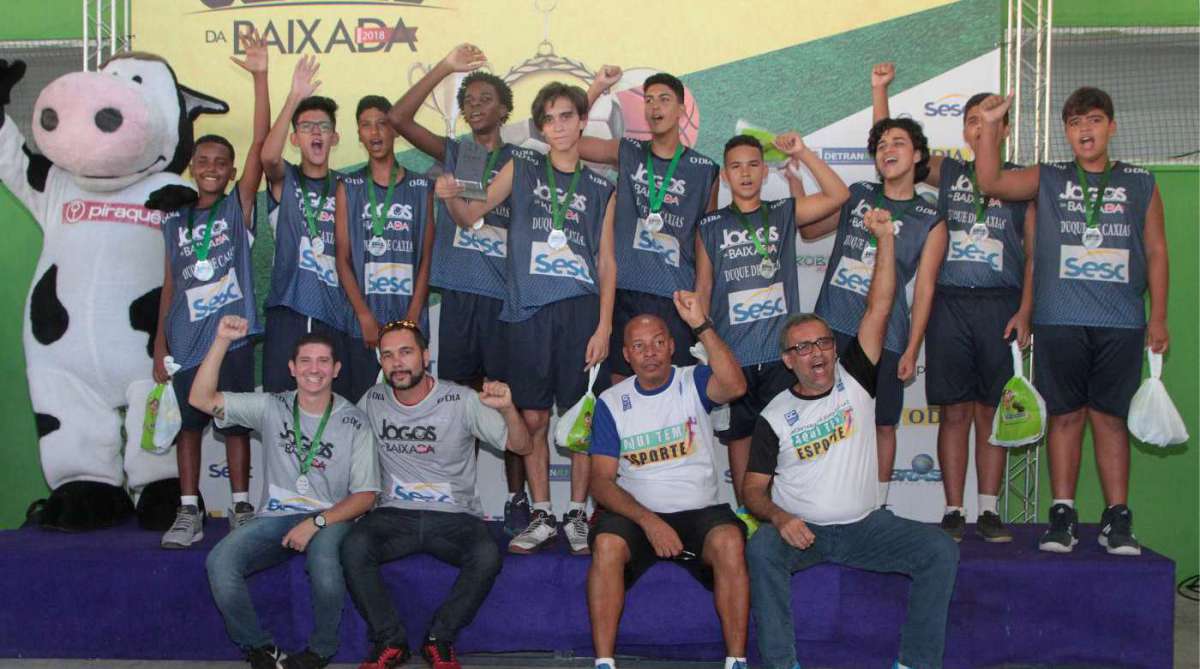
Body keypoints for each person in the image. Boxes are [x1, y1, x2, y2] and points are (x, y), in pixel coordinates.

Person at [744, 206, 959, 669]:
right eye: (802, 348)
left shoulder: (855, 379)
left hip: (866, 528)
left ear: (834, 349)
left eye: (822, 343)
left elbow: (879, 306)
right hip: (803, 531)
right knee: (761, 547)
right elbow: (752, 490)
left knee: (939, 550)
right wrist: (780, 518)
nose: (815, 353)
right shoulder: (774, 415)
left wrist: (884, 238)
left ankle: (915, 663)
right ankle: (783, 665)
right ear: (788, 361)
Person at [975, 89, 1169, 556]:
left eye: (1095, 120)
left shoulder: (1141, 182)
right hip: (1059, 319)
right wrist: (989, 125)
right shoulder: (1050, 177)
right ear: (1066, 132)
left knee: (1110, 420)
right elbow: (991, 182)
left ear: (1112, 127)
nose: (1085, 130)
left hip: (1122, 321)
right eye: (1076, 122)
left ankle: (1117, 518)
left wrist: (1158, 316)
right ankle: (1062, 514)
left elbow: (1158, 251)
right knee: (1065, 417)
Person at [436, 81, 617, 556]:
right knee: (533, 416)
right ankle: (541, 513)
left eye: (566, 116)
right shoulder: (525, 165)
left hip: (580, 312)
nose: (558, 126)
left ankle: (577, 514)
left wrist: (604, 326)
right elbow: (473, 215)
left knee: (580, 422)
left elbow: (605, 262)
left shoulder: (602, 185)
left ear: (582, 121)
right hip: (527, 312)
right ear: (540, 127)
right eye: (549, 119)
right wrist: (450, 196)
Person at [871, 61, 1035, 542]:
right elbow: (891, 139)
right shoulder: (947, 170)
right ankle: (953, 509)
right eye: (971, 121)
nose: (979, 128)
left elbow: (1033, 256)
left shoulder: (1023, 181)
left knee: (990, 411)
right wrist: (880, 91)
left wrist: (1025, 310)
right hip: (948, 305)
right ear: (964, 131)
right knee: (955, 413)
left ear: (1005, 127)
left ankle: (988, 509)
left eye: (989, 120)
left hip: (1000, 304)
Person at [390, 43, 531, 537]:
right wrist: (446, 67)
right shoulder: (458, 152)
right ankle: (462, 496)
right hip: (458, 300)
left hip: (504, 302)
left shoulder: (522, 161)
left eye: (485, 97)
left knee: (503, 399)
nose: (474, 104)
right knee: (457, 403)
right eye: (467, 98)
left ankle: (519, 499)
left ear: (504, 109)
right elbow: (398, 118)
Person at [342, 320, 531, 669]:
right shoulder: (373, 399)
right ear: (380, 363)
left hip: (454, 517)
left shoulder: (460, 398)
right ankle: (390, 640)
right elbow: (343, 444)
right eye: (388, 356)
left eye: (406, 352)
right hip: (393, 515)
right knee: (352, 548)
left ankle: (439, 639)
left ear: (425, 356)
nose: (397, 363)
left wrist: (506, 408)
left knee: (487, 555)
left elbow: (521, 444)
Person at [193, 316, 379, 669]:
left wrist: (317, 522)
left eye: (323, 361)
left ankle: (321, 650)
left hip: (331, 516)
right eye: (306, 361)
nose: (315, 369)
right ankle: (259, 649)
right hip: (275, 517)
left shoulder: (355, 421)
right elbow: (201, 398)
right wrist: (220, 341)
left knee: (324, 562)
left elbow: (366, 496)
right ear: (292, 368)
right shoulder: (272, 406)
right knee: (220, 562)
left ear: (336, 369)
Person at [587, 290, 750, 669]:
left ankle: (737, 661)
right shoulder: (612, 401)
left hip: (699, 512)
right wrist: (649, 521)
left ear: (672, 346)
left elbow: (736, 386)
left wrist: (702, 326)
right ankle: (604, 663)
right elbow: (601, 482)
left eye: (659, 342)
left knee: (728, 540)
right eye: (639, 346)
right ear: (626, 355)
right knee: (608, 545)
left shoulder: (693, 380)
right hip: (637, 515)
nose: (650, 352)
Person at [154, 29, 270, 547]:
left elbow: (263, 146)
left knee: (236, 424)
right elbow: (170, 286)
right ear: (192, 167)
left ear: (229, 173)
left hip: (234, 336)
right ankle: (188, 510)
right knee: (189, 426)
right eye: (203, 161)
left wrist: (261, 78)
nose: (212, 168)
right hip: (186, 339)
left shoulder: (237, 206)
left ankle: (241, 506)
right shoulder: (175, 221)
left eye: (221, 163)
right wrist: (160, 343)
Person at [694, 133, 849, 518]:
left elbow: (838, 194)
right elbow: (704, 287)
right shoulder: (710, 225)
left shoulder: (782, 211)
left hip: (782, 356)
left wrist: (802, 153)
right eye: (735, 166)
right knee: (740, 438)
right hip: (734, 355)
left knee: (786, 436)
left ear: (764, 171)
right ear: (726, 176)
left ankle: (791, 512)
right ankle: (748, 514)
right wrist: (706, 347)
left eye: (752, 164)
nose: (745, 173)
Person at [805, 110, 947, 506]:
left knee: (883, 423)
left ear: (918, 155)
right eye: (881, 145)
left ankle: (878, 505)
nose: (888, 149)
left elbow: (925, 291)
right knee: (826, 419)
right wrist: (798, 181)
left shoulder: (930, 218)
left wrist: (912, 348)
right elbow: (809, 230)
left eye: (898, 143)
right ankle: (824, 501)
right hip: (833, 326)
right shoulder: (857, 195)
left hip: (887, 334)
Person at [580, 66, 720, 384]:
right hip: (624, 289)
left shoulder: (705, 169)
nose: (655, 107)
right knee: (620, 386)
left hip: (675, 295)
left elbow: (705, 245)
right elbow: (568, 141)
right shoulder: (627, 151)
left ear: (682, 109)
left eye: (664, 99)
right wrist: (596, 87)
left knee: (676, 389)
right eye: (649, 100)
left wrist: (702, 310)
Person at [260, 55, 354, 398]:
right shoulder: (287, 179)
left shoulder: (348, 187)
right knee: (280, 405)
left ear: (335, 137)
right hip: (289, 307)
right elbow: (267, 158)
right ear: (294, 139)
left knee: (335, 406)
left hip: (336, 311)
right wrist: (293, 98)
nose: (316, 131)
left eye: (324, 127)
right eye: (306, 126)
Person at [333, 94, 434, 401]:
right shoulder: (348, 186)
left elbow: (427, 257)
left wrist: (414, 314)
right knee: (362, 408)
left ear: (395, 131)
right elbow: (342, 258)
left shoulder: (421, 186)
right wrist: (363, 315)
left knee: (410, 409)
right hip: (364, 323)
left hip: (409, 314)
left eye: (382, 124)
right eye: (366, 126)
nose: (375, 133)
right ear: (359, 134)